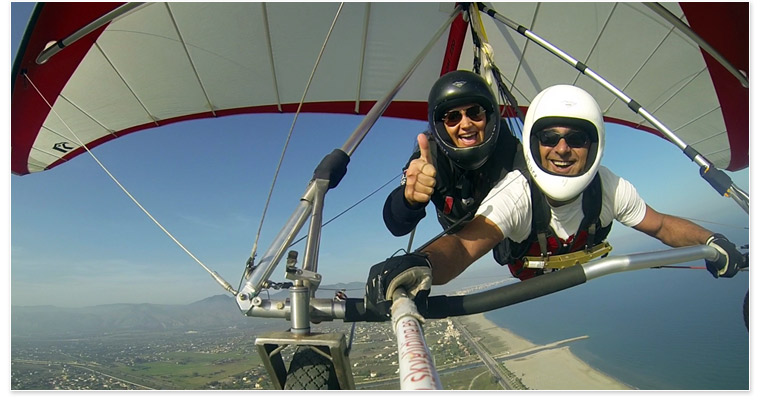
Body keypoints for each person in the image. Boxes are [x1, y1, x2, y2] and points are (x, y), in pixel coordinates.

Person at [365, 84, 743, 319]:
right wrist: (421, 265)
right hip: (522, 260)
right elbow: (465, 245)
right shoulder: (515, 190)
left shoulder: (606, 186)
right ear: (536, 144)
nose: (562, 149)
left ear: (593, 145)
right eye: (549, 138)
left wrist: (711, 242)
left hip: (566, 255)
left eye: (576, 137)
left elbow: (660, 225)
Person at [383, 70, 521, 237]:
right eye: (453, 117)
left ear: (488, 117)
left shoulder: (506, 146)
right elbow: (396, 225)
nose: (466, 124)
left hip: (503, 229)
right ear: (442, 126)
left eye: (475, 112)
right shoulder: (430, 157)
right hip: (459, 235)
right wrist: (409, 199)